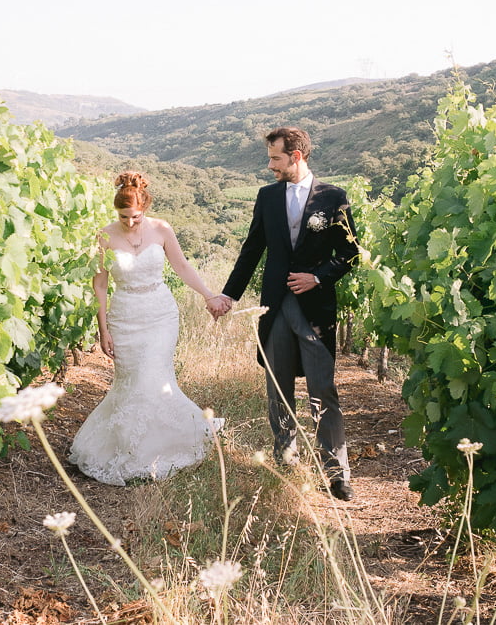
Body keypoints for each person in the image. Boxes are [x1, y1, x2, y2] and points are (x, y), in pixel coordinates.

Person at [210, 127, 359, 501]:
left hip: (315, 309)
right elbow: (252, 250)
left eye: (276, 158)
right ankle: (286, 455)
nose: (270, 165)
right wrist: (228, 295)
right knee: (278, 386)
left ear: (296, 156)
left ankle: (337, 472)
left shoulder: (333, 198)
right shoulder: (267, 196)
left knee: (322, 388)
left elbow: (351, 253)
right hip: (274, 306)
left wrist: (318, 277)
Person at [69, 171, 225, 486]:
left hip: (160, 315)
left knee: (154, 378)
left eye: (135, 216)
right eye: (123, 217)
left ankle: (160, 449)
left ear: (145, 206)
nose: (130, 222)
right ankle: (129, 448)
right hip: (125, 317)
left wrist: (208, 295)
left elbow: (181, 266)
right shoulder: (103, 236)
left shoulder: (161, 229)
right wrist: (103, 328)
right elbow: (100, 285)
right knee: (130, 384)